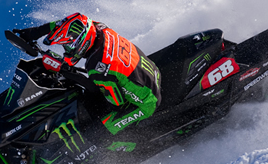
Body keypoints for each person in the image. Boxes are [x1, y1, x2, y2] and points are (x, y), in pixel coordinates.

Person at [14, 13, 161, 136]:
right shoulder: (99, 28)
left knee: (100, 131)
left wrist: (67, 72)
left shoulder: (96, 67)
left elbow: (116, 102)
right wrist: (34, 33)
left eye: (69, 46)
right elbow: (63, 23)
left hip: (148, 102)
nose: (67, 50)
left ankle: (136, 148)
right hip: (152, 73)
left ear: (81, 41)